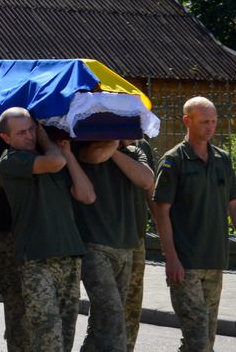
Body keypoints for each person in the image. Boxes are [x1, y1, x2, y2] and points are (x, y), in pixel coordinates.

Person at [153, 96, 236, 352]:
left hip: (214, 259)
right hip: (185, 263)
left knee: (206, 340)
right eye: (204, 122)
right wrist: (171, 257)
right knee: (198, 339)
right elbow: (161, 212)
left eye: (213, 121)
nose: (211, 127)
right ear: (187, 121)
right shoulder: (173, 161)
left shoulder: (222, 159)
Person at [0, 107, 93, 352]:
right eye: (21, 132)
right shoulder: (11, 160)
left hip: (69, 254)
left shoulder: (55, 159)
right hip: (36, 258)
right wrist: (45, 138)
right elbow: (55, 162)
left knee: (66, 335)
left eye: (32, 129)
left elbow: (87, 195)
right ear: (6, 138)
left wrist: (68, 154)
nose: (29, 136)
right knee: (47, 335)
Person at [73, 140, 154, 352]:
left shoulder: (135, 150)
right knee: (113, 317)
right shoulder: (84, 144)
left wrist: (117, 151)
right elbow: (94, 156)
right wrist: (115, 140)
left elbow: (146, 180)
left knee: (103, 323)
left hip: (126, 246)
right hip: (94, 246)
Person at [123, 137, 156, 352]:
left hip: (137, 237)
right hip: (105, 240)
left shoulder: (141, 146)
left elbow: (150, 190)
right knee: (108, 312)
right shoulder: (96, 141)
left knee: (132, 308)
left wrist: (164, 233)